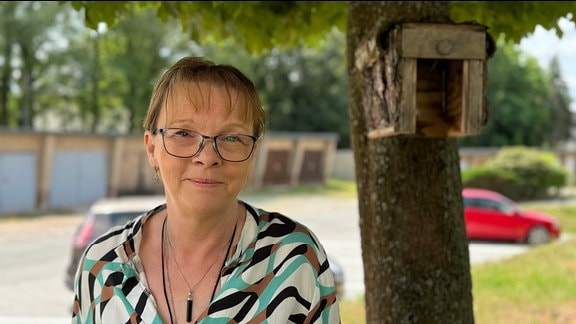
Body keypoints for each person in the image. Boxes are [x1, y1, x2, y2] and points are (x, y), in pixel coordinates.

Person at [71, 56, 341, 323]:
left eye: (232, 137)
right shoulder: (102, 265)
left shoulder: (294, 257)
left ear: (252, 153)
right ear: (152, 148)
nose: (208, 156)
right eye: (184, 133)